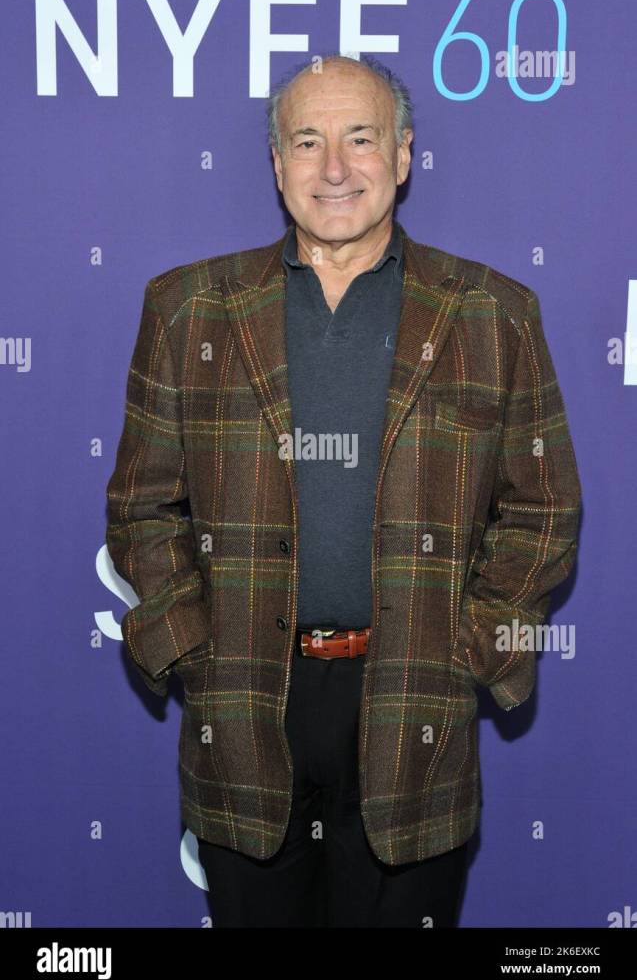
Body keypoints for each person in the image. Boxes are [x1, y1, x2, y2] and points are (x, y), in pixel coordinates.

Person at [105, 53, 582, 927]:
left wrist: (466, 647)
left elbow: (543, 508)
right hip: (242, 705)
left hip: (415, 705)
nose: (334, 168)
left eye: (360, 139)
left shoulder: (492, 313)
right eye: (307, 141)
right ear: (275, 162)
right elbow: (141, 505)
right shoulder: (187, 309)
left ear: (402, 154)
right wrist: (193, 650)